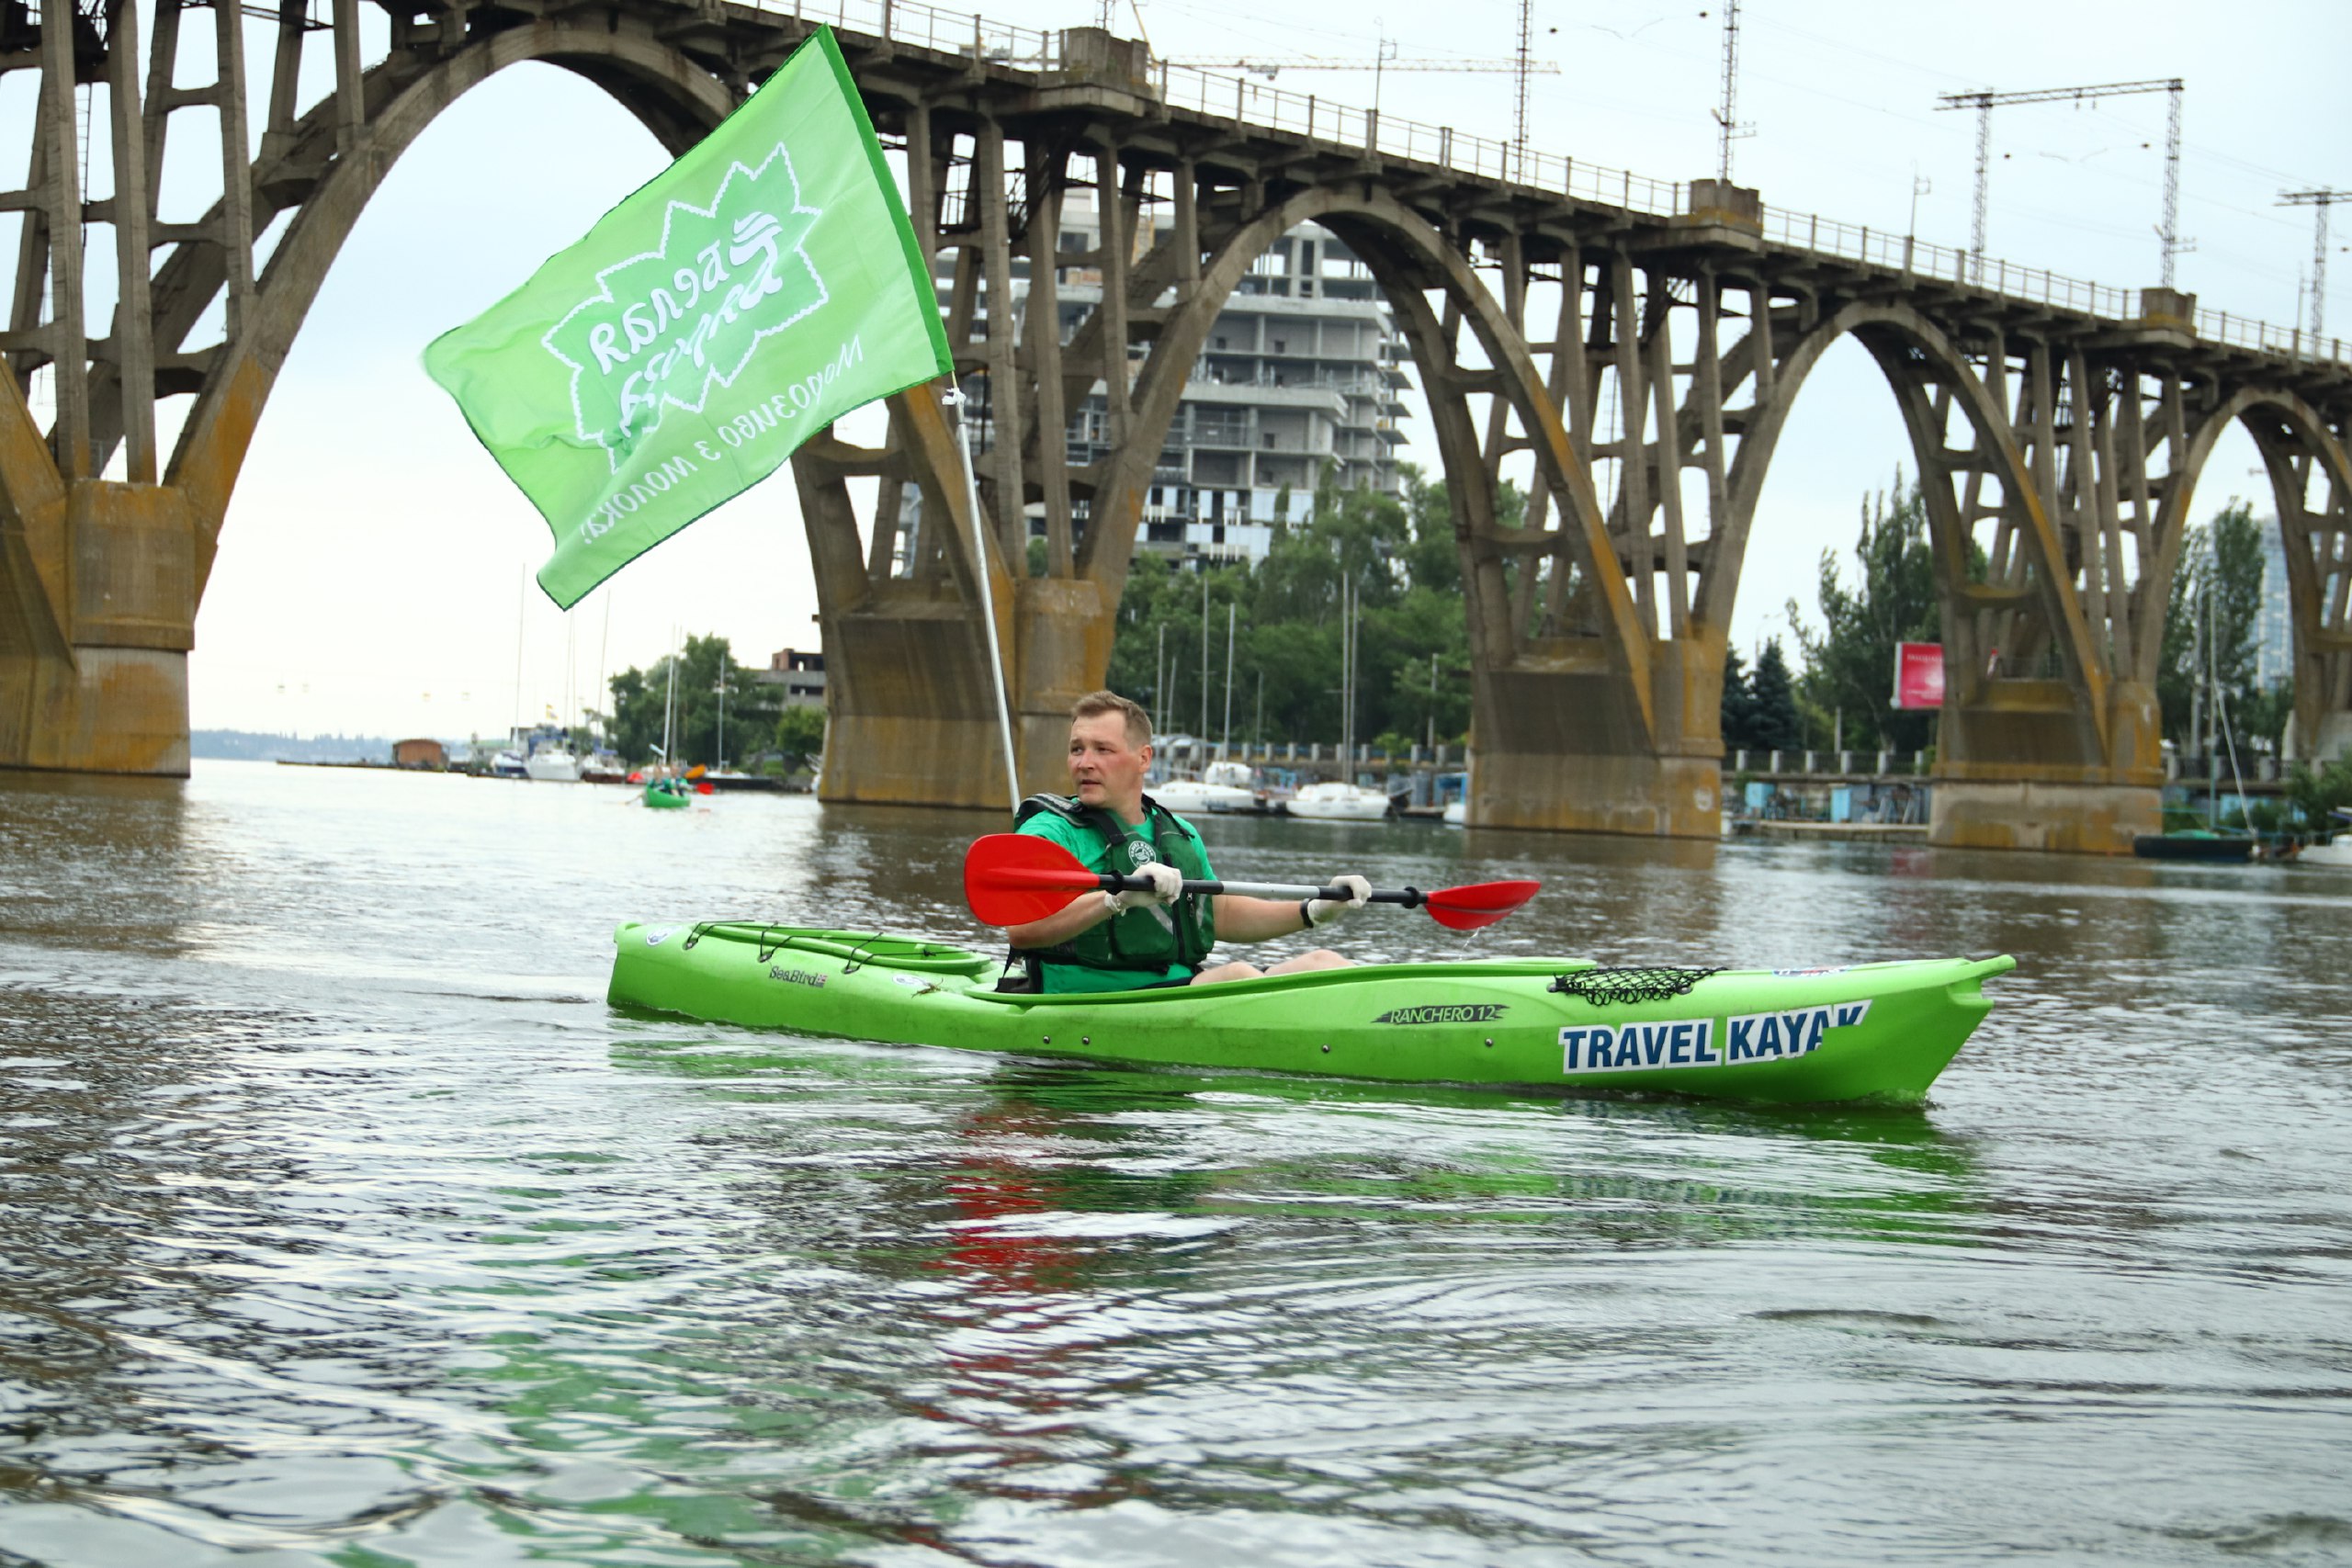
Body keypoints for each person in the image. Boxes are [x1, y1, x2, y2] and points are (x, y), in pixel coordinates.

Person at [1006, 690, 1370, 993]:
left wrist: (1314, 909)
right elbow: (1021, 930)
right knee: (1237, 975)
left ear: (1143, 758)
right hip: (1084, 993)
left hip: (1175, 987)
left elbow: (1219, 915)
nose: (1085, 763)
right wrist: (1115, 899)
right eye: (1077, 749)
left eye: (1103, 749)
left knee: (1326, 963)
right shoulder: (1050, 832)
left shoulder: (1178, 832)